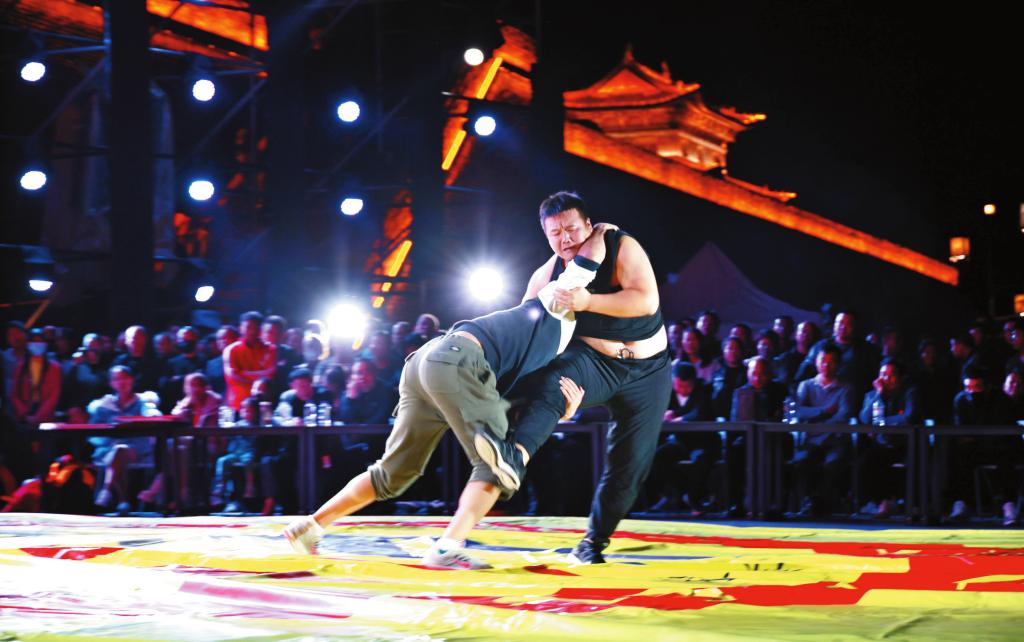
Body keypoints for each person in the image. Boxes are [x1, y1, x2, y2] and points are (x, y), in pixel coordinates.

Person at [283, 218, 615, 568]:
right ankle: (446, 548)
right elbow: (583, 264)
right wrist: (601, 231)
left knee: (394, 473)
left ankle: (310, 525)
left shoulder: (537, 346)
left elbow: (534, 399)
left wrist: (563, 409)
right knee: (500, 466)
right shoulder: (554, 305)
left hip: (425, 365)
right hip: (455, 363)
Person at [473, 191, 671, 565]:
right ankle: (514, 456)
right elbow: (526, 338)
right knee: (552, 387)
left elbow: (646, 301)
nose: (565, 239)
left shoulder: (621, 245)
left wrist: (587, 302)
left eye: (572, 229)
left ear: (588, 225)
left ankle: (594, 541)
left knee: (631, 464)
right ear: (546, 236)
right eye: (555, 233)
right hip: (593, 363)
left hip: (650, 370)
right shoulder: (544, 278)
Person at [223, 311, 277, 410]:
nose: (252, 331)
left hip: (262, 405)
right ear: (240, 328)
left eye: (255, 328)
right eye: (248, 327)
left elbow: (270, 374)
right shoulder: (231, 350)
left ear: (260, 329)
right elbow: (233, 376)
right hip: (238, 405)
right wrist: (259, 377)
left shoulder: (270, 349)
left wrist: (243, 373)